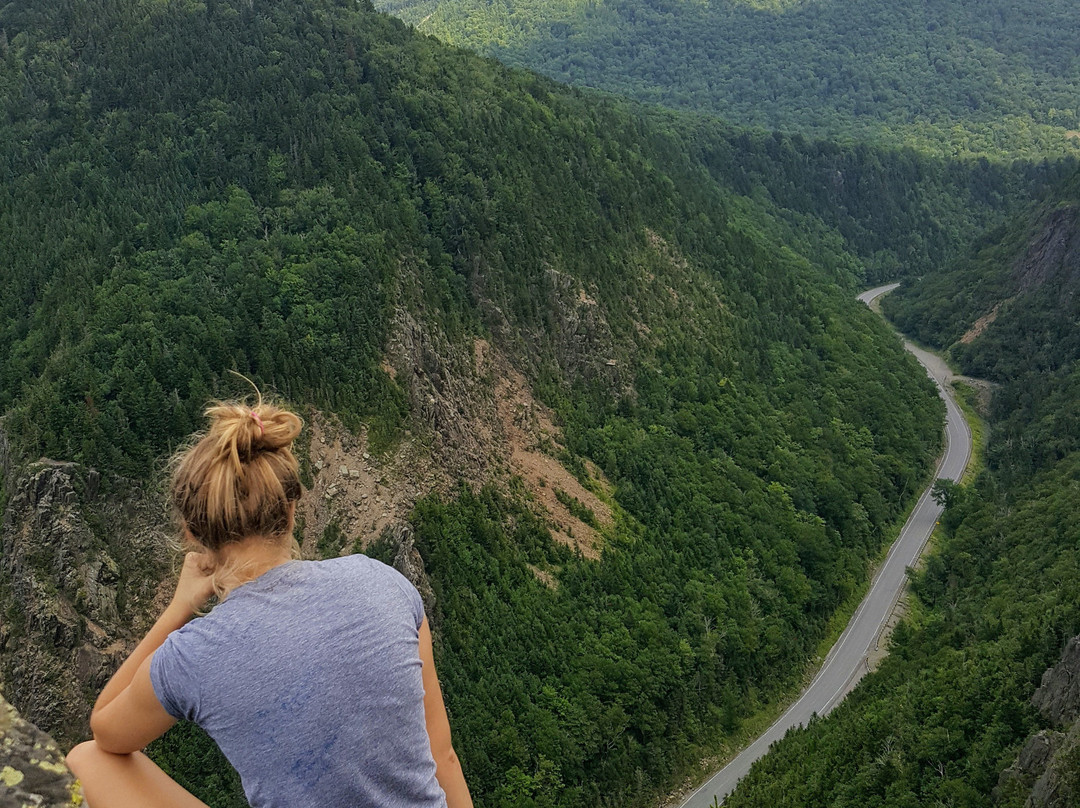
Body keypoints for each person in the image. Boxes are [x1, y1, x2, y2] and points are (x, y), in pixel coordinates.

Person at [66, 398, 473, 808]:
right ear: (292, 510)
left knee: (86, 759)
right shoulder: (385, 582)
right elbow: (443, 757)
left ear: (192, 534)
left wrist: (179, 609)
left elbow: (105, 730)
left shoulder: (192, 655)